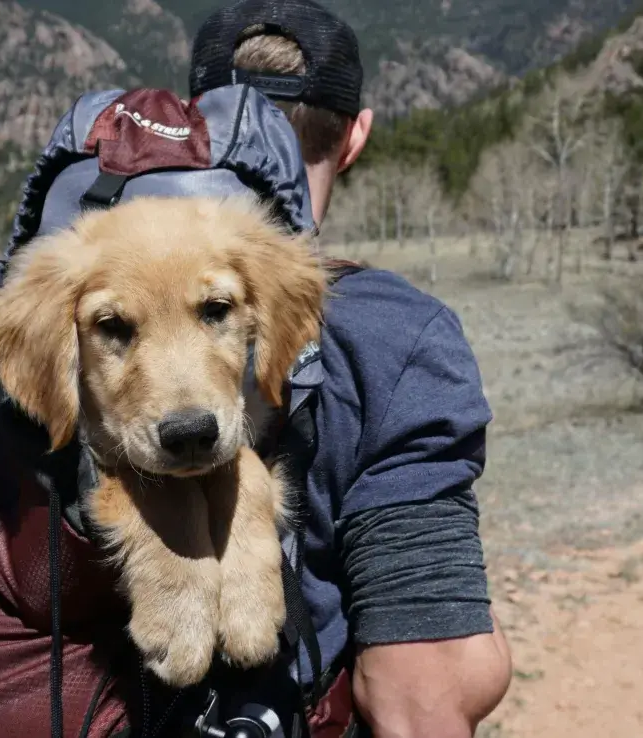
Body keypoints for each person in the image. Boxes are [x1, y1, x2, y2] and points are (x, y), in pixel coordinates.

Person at [187, 2, 514, 736]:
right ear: (356, 135)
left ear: (190, 127)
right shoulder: (394, 339)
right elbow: (417, 701)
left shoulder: (84, 303)